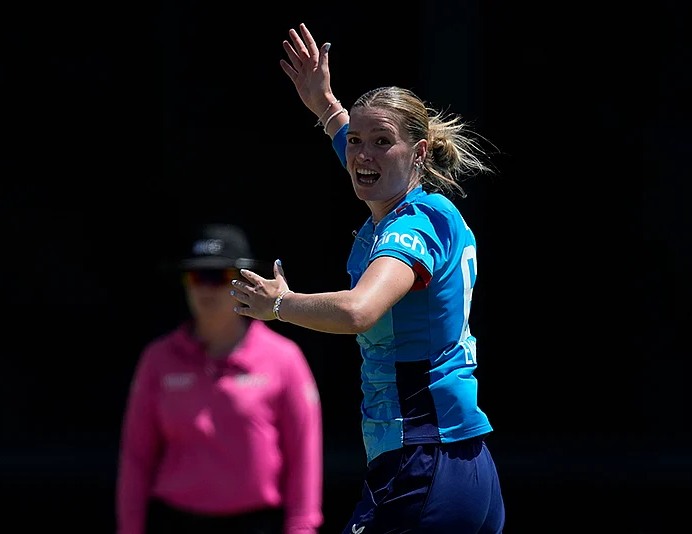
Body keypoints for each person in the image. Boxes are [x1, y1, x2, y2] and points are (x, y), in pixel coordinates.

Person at [230, 24, 505, 533]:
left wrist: (279, 304)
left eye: (382, 142)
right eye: (356, 141)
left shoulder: (413, 223)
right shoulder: (408, 205)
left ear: (419, 153)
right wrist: (325, 104)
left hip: (425, 459)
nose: (362, 155)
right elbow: (360, 153)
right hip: (459, 462)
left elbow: (361, 311)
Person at [116, 222, 324, 534]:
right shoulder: (157, 359)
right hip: (174, 521)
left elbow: (304, 456)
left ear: (244, 283)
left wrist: (301, 528)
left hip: (256, 522)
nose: (206, 288)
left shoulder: (284, 358)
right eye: (196, 276)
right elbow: (136, 457)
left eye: (218, 276)